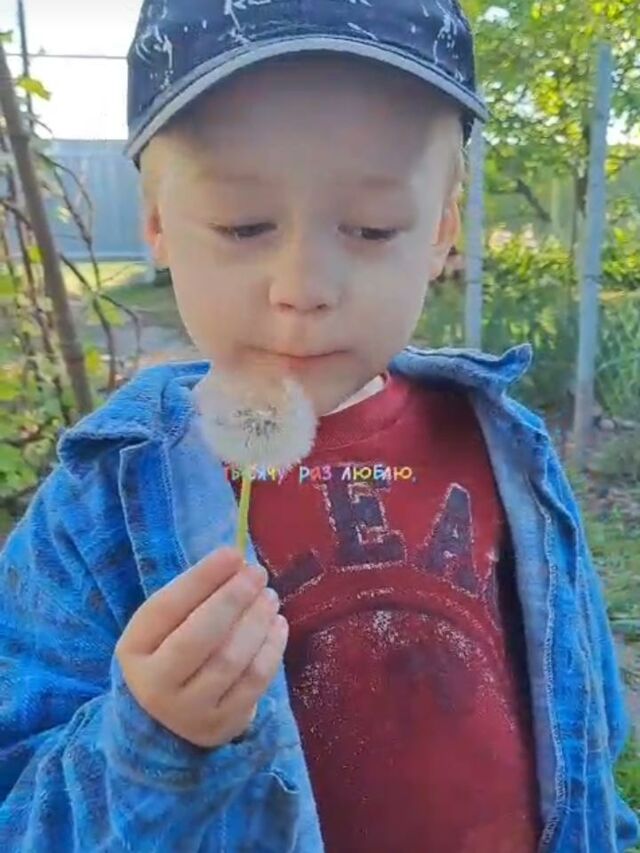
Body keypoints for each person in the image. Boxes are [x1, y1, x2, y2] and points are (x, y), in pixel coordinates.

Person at [0, 1, 637, 851]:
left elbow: (587, 732)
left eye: (371, 229)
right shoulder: (97, 510)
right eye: (244, 225)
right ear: (156, 224)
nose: (303, 286)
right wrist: (148, 738)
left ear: (442, 231)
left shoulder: (507, 450)